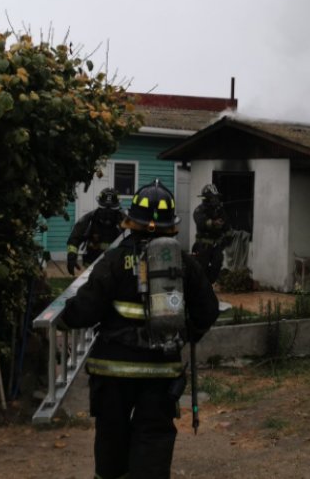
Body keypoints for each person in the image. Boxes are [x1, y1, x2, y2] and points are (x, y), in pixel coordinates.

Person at [60, 179, 219, 479]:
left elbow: (86, 308)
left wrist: (66, 317)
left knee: (111, 435)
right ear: (172, 225)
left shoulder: (114, 261)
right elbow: (208, 310)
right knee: (154, 437)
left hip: (112, 370)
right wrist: (183, 335)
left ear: (130, 221)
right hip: (161, 372)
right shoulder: (183, 263)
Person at [66, 187, 123, 275]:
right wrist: (71, 257)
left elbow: (135, 237)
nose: (108, 212)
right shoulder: (89, 219)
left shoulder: (124, 221)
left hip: (116, 265)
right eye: (104, 208)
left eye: (112, 209)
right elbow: (74, 238)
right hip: (92, 265)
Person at [192, 183, 229, 282]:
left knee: (217, 264)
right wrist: (213, 222)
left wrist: (222, 224)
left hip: (216, 246)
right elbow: (201, 222)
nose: (215, 200)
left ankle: (209, 283)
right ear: (207, 199)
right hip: (203, 246)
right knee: (201, 268)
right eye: (213, 198)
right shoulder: (199, 210)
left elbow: (226, 225)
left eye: (216, 198)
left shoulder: (219, 210)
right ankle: (201, 286)